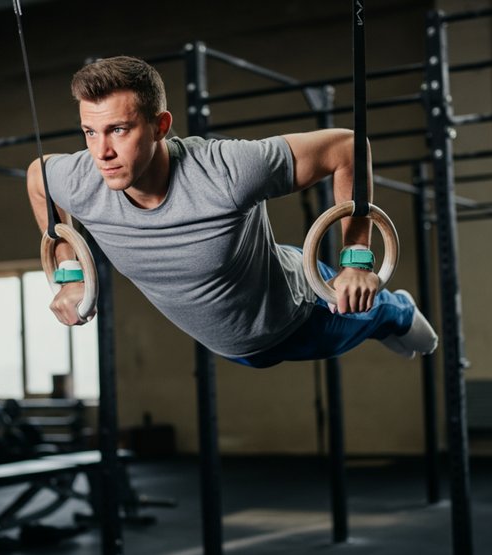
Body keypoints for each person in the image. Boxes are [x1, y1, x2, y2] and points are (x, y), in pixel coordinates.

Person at [26, 56, 437, 368]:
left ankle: (399, 312)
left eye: (119, 129)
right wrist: (69, 273)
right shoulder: (80, 176)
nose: (102, 152)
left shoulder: (226, 170)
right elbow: (36, 178)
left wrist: (357, 258)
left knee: (369, 309)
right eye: (90, 132)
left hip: (299, 316)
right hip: (234, 337)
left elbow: (347, 147)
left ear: (160, 126)